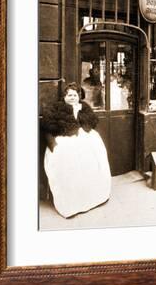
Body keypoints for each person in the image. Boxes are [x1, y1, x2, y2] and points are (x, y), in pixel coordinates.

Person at [40, 83, 111, 218]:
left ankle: (93, 197)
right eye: (69, 95)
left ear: (79, 96)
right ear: (64, 97)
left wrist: (78, 114)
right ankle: (71, 203)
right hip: (64, 140)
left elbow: (89, 124)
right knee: (68, 166)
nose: (72, 98)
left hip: (85, 140)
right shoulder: (56, 109)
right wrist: (53, 146)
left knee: (92, 163)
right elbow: (47, 129)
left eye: (75, 95)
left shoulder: (84, 108)